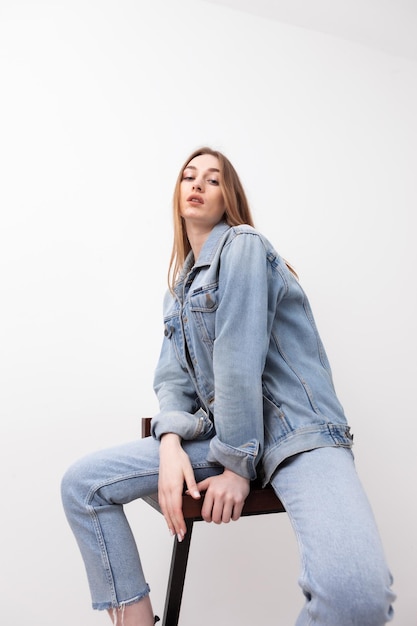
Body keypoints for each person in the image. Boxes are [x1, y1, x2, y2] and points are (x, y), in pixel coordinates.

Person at [61, 147, 395, 626]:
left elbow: (239, 357)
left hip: (294, 434)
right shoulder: (178, 291)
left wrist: (238, 467)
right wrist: (171, 443)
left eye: (213, 180)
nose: (197, 184)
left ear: (229, 197)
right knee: (82, 485)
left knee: (356, 597)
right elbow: (172, 380)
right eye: (189, 176)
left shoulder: (243, 245)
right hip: (224, 439)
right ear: (177, 194)